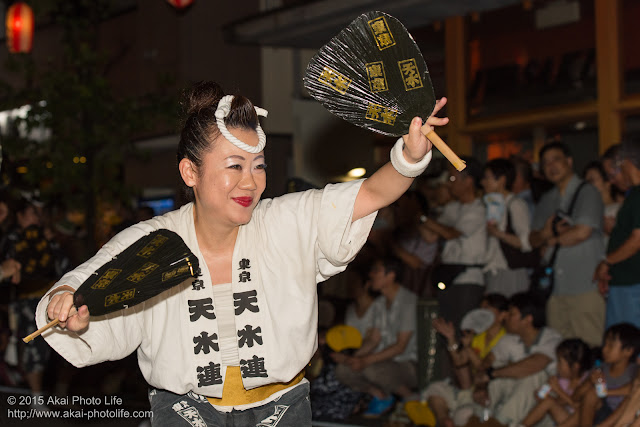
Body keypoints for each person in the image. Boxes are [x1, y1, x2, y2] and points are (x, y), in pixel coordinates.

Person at [37, 81, 450, 425]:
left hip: (282, 409)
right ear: (190, 172)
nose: (250, 182)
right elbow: (85, 284)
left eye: (259, 166)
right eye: (234, 166)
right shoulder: (152, 241)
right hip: (185, 411)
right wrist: (69, 302)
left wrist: (409, 156)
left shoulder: (285, 220)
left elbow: (372, 194)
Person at [529, 141, 605, 347]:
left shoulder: (588, 191)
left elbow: (582, 232)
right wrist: (544, 234)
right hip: (554, 289)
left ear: (569, 161)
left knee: (589, 347)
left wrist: (550, 240)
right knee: (559, 351)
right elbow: (532, 239)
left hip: (585, 284)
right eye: (545, 163)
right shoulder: (546, 199)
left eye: (556, 160)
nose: (551, 166)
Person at [334, 256, 418, 417]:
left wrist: (364, 361)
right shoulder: (380, 303)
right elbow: (373, 339)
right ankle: (382, 397)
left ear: (391, 275)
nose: (371, 275)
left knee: (371, 369)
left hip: (408, 364)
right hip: (384, 362)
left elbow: (400, 347)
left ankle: (411, 398)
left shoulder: (408, 301)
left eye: (376, 271)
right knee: (343, 370)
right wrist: (352, 358)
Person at [424, 293, 512, 427]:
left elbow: (485, 368)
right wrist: (451, 338)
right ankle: (445, 421)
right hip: (470, 390)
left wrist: (468, 348)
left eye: (486, 308)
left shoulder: (506, 338)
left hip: (490, 395)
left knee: (463, 415)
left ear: (502, 315)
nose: (480, 313)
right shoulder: (477, 336)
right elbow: (459, 362)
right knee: (435, 389)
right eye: (480, 308)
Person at [423, 157, 487, 329]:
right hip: (448, 274)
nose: (449, 184)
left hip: (468, 278)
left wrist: (422, 218)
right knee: (446, 327)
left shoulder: (478, 209)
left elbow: (451, 233)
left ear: (468, 181)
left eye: (452, 179)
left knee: (463, 328)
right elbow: (430, 236)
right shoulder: (452, 208)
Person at [481, 292, 563, 426]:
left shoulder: (551, 338)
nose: (505, 317)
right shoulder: (510, 338)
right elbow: (486, 363)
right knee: (498, 366)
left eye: (511, 314)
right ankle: (487, 416)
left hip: (544, 404)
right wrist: (481, 386)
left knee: (534, 375)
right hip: (515, 400)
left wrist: (492, 373)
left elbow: (535, 364)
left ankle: (500, 421)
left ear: (527, 319)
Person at [594, 137, 640, 329]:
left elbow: (637, 239)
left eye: (612, 173)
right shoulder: (633, 195)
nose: (611, 181)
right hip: (625, 283)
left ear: (625, 163)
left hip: (632, 284)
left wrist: (607, 262)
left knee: (626, 345)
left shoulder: (638, 194)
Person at [560, 323, 640, 427]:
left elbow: (632, 389)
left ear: (628, 351)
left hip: (622, 417)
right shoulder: (600, 369)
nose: (604, 349)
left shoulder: (634, 370)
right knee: (591, 394)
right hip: (601, 414)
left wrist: (605, 392)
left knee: (627, 398)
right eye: (605, 344)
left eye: (610, 345)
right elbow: (575, 397)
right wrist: (590, 382)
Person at [481, 158, 536, 298]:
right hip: (494, 269)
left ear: (502, 180)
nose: (483, 182)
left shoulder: (515, 204)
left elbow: (525, 242)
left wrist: (499, 234)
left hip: (511, 270)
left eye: (488, 178)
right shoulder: (492, 204)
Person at [521, 338, 592, 426]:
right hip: (563, 418)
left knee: (549, 402)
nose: (557, 366)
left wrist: (558, 390)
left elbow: (581, 409)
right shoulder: (563, 380)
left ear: (575, 367)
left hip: (579, 422)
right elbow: (560, 402)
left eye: (560, 362)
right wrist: (542, 396)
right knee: (548, 401)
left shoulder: (587, 381)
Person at [583, 161, 623, 244]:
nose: (587, 187)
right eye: (585, 183)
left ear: (607, 182)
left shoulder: (620, 210)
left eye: (591, 181)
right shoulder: (587, 212)